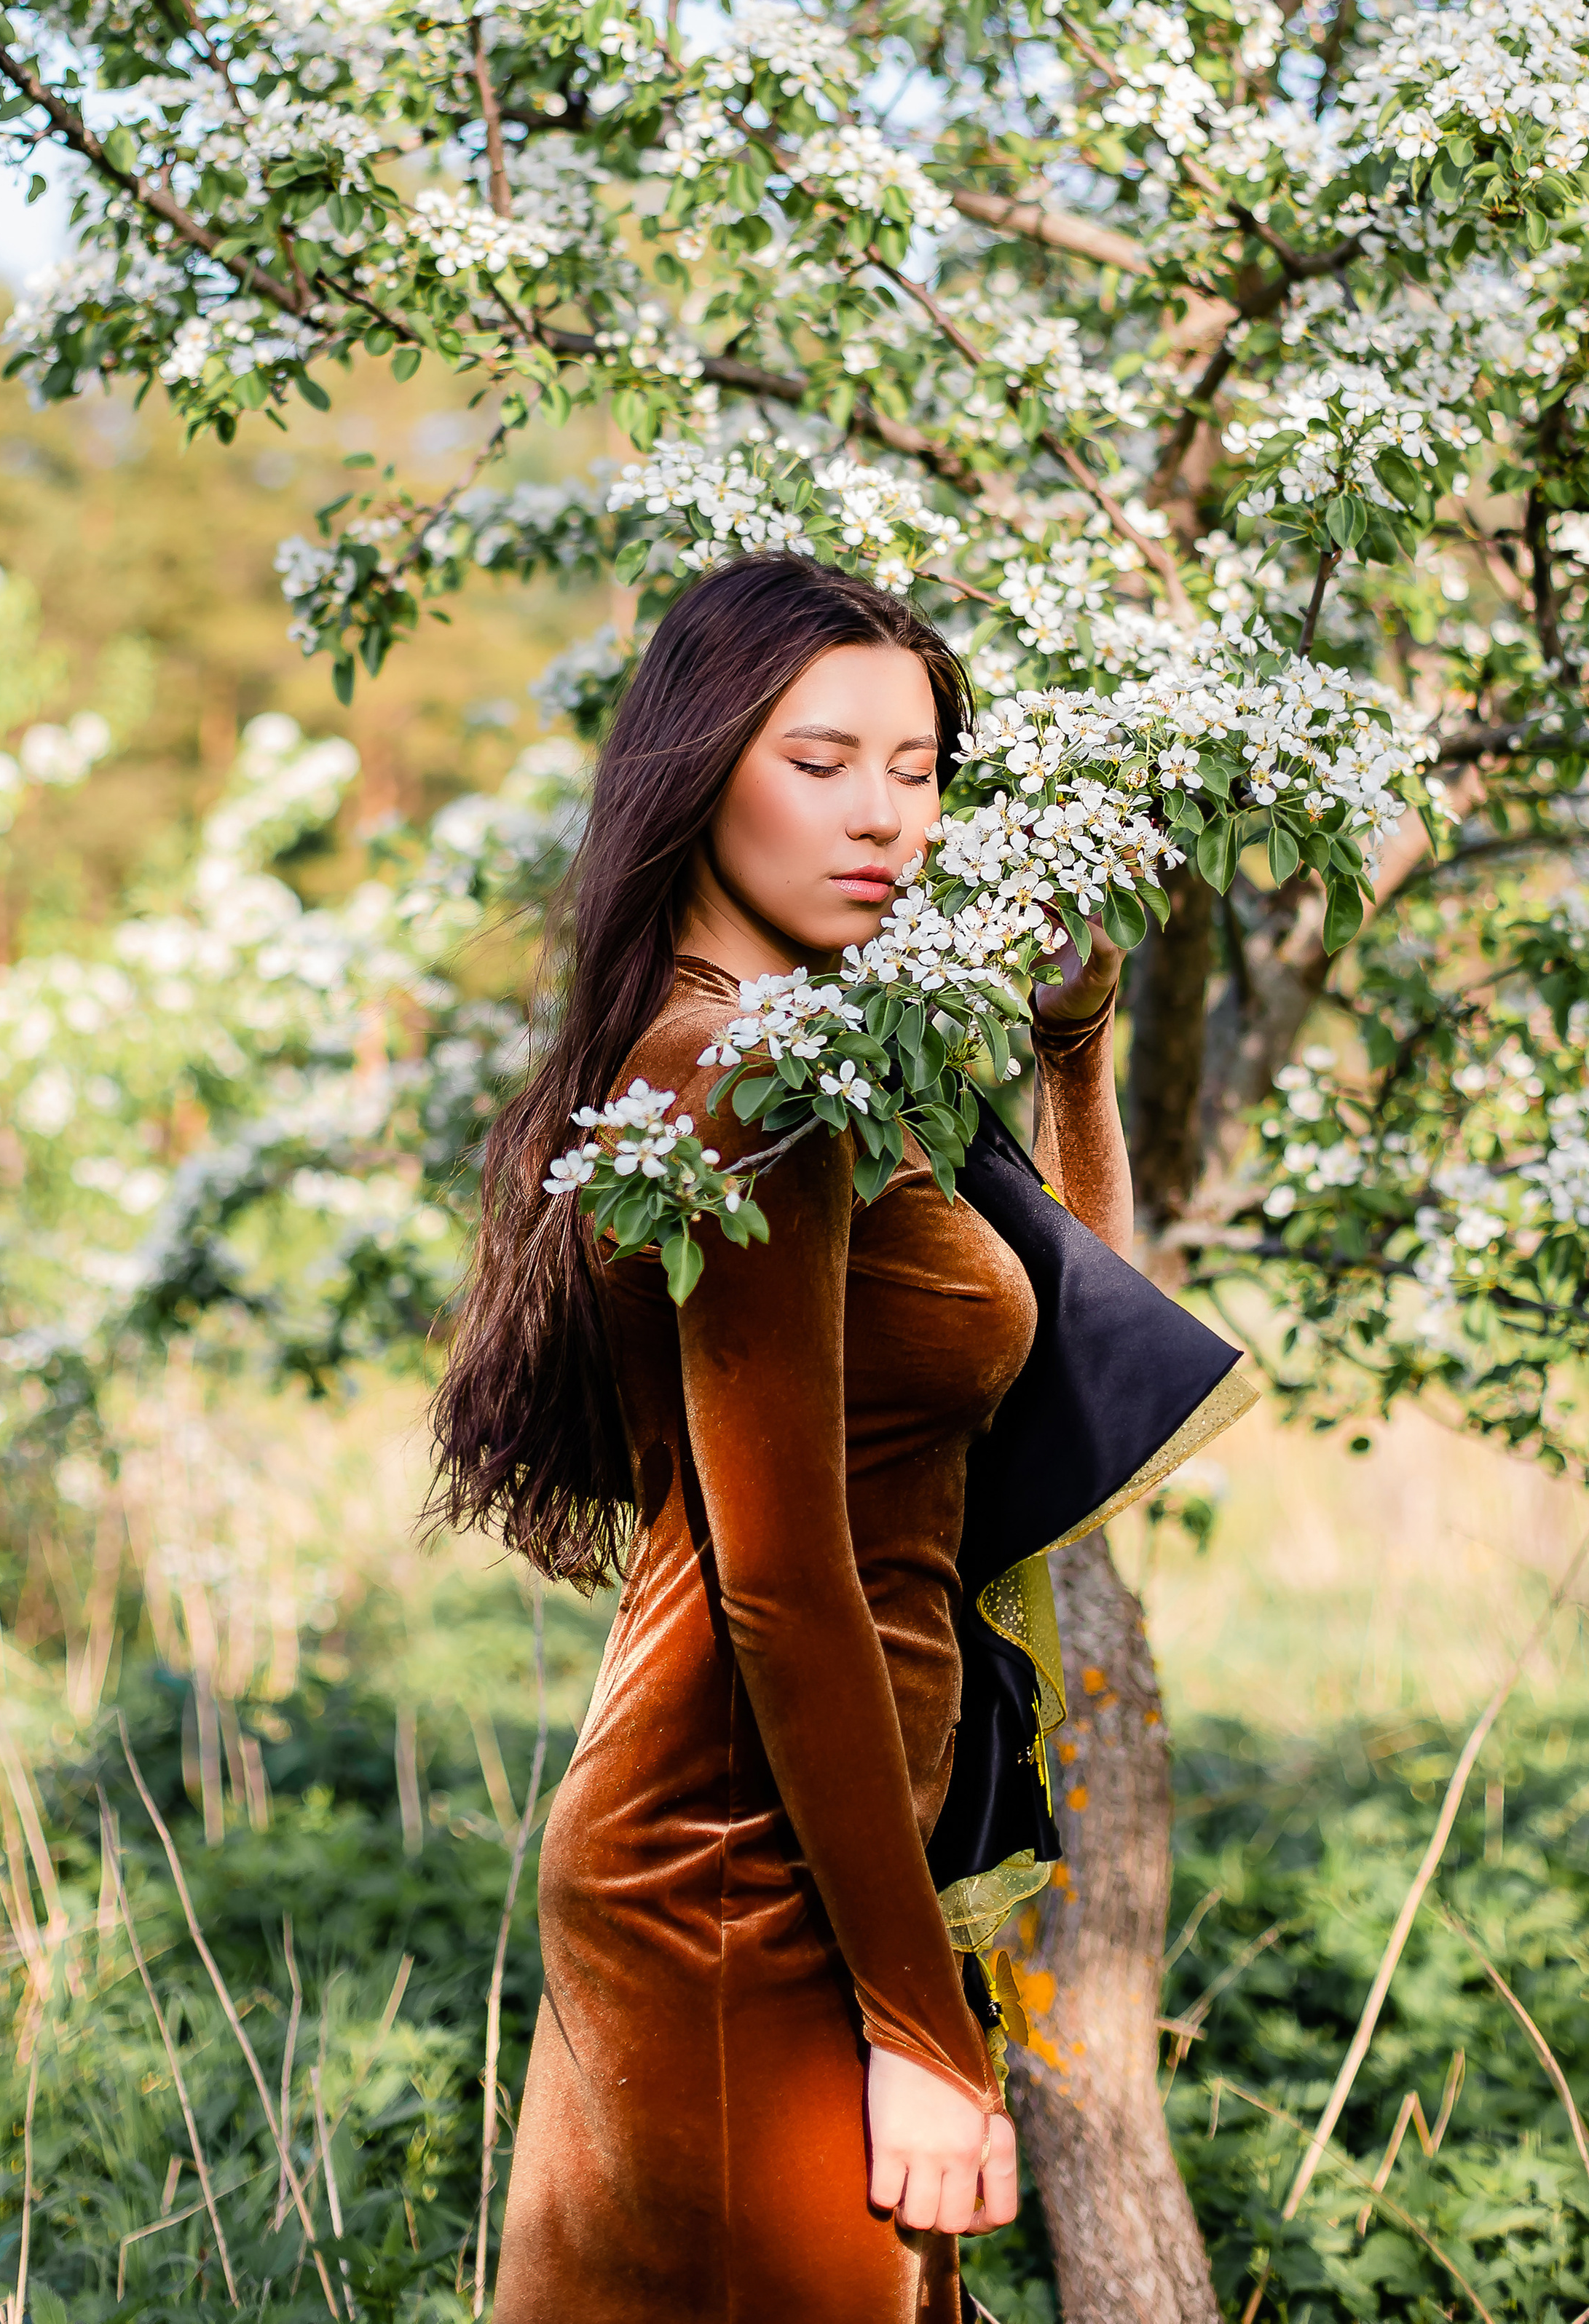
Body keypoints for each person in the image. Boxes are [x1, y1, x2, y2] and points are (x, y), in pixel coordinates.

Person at [431, 553, 1134, 2324]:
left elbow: (1082, 1359)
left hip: (815, 1848)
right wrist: (916, 2031)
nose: (882, 819)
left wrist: (1074, 1045)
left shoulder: (824, 1065)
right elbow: (782, 1585)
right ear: (698, 764)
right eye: (819, 764)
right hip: (734, 1873)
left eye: (915, 769)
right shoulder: (729, 1089)